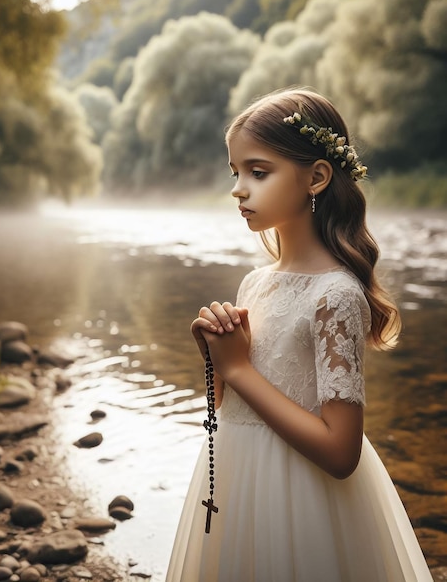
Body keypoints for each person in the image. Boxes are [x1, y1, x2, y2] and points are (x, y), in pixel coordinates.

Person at [165, 87, 433, 581]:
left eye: (258, 172)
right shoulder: (254, 282)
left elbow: (340, 453)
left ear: (316, 177)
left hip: (304, 497)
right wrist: (216, 357)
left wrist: (239, 368)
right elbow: (229, 408)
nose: (238, 189)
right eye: (236, 173)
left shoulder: (336, 296)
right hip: (237, 479)